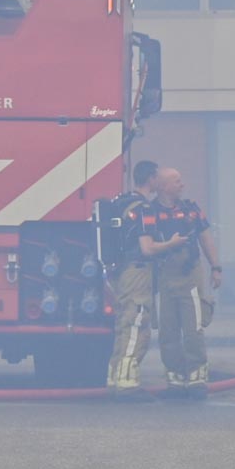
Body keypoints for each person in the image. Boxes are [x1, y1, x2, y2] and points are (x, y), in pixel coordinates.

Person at [141, 167, 220, 401]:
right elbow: (147, 246)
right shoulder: (150, 212)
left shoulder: (191, 210)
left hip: (190, 275)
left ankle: (196, 379)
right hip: (165, 277)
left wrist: (216, 267)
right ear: (164, 187)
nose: (182, 185)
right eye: (177, 181)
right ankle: (174, 379)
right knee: (168, 330)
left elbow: (206, 238)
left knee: (193, 328)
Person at [105, 160, 161, 401]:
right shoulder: (143, 208)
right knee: (137, 323)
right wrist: (172, 244)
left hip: (119, 273)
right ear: (150, 178)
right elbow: (147, 249)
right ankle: (128, 384)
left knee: (123, 324)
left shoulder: (121, 203)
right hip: (137, 271)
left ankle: (114, 378)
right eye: (156, 177)